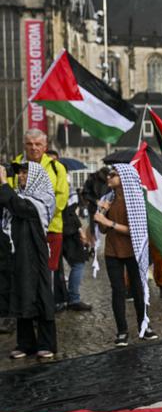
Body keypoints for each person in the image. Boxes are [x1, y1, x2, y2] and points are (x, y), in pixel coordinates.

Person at [95, 163, 158, 346]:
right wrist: (103, 214)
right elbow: (102, 229)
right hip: (112, 251)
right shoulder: (107, 198)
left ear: (124, 178)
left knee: (138, 289)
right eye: (109, 174)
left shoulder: (136, 199)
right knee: (117, 290)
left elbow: (135, 230)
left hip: (133, 250)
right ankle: (122, 331)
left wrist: (109, 222)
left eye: (113, 174)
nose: (109, 177)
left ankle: (144, 326)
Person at [1, 161, 57, 359]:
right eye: (20, 173)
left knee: (41, 294)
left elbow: (21, 208)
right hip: (19, 253)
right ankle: (25, 344)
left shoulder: (44, 198)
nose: (21, 176)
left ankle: (47, 343)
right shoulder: (16, 195)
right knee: (21, 293)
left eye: (25, 172)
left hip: (36, 252)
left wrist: (4, 183)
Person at [11, 130, 68, 301]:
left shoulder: (56, 167)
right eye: (29, 144)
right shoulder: (14, 165)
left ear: (45, 146)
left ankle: (46, 306)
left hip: (51, 228)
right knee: (23, 270)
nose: (33, 147)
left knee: (48, 271)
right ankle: (26, 307)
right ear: (24, 145)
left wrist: (37, 215)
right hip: (21, 228)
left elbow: (61, 198)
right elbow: (12, 195)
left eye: (38, 144)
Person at [60, 188, 92, 311]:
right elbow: (69, 212)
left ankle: (61, 298)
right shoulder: (66, 190)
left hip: (60, 230)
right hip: (69, 232)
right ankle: (73, 299)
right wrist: (79, 230)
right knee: (78, 263)